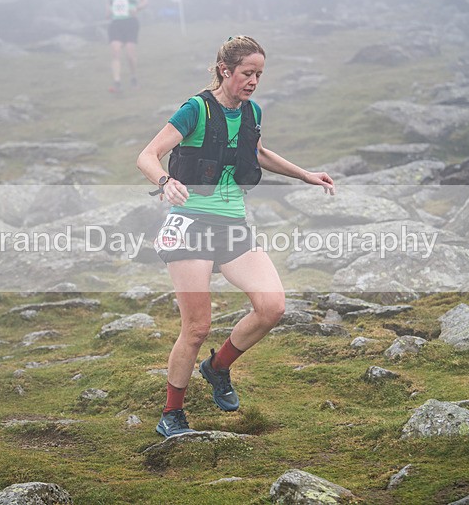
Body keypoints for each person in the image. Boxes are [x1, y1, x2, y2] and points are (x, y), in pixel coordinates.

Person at [136, 36, 335, 437]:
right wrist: (165, 182)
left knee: (272, 307)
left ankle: (218, 367)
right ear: (225, 70)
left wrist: (305, 175)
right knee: (196, 327)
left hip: (233, 226)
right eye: (247, 73)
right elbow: (147, 155)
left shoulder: (251, 111)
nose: (254, 81)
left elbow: (257, 152)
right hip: (190, 224)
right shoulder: (196, 109)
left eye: (259, 74)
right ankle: (171, 414)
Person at [106, 0, 147, 93]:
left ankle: (133, 77)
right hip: (116, 23)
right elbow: (108, 4)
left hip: (130, 22)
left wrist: (137, 8)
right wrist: (108, 12)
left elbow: (145, 1)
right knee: (115, 50)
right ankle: (117, 82)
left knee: (130, 54)